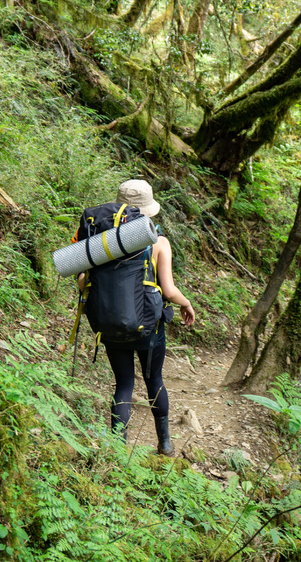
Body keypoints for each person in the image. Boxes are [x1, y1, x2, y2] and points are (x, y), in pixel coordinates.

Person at [80, 180, 195, 457]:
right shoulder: (158, 242)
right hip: (148, 328)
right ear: (148, 211)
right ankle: (165, 444)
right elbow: (168, 290)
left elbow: (83, 282)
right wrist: (186, 302)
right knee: (154, 380)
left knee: (123, 384)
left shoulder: (101, 241)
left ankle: (117, 450)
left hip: (109, 325)